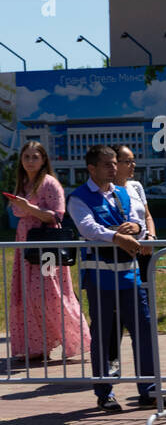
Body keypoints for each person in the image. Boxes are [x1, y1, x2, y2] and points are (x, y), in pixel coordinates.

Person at [67, 144, 166, 412]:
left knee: (143, 331)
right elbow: (88, 228)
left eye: (115, 163)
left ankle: (150, 390)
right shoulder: (78, 197)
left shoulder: (122, 193)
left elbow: (137, 225)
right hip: (99, 278)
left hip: (130, 275)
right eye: (108, 164)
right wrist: (117, 235)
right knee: (104, 336)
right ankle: (105, 393)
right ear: (91, 168)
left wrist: (138, 228)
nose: (114, 168)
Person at [5, 141, 91, 366]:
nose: (30, 161)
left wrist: (29, 208)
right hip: (26, 243)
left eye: (35, 157)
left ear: (43, 160)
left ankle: (77, 339)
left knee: (50, 293)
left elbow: (57, 216)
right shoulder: (23, 182)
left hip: (47, 246)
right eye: (26, 157)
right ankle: (36, 346)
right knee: (27, 294)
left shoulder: (50, 183)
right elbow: (18, 211)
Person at [112, 145, 156, 289]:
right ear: (115, 164)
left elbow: (147, 216)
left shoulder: (136, 186)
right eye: (128, 161)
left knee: (145, 293)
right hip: (120, 252)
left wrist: (151, 238)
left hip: (144, 250)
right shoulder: (106, 190)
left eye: (133, 160)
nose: (133, 165)